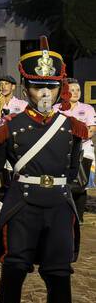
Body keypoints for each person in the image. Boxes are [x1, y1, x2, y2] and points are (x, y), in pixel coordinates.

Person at [0, 40, 92, 303]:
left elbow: (75, 171)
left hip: (58, 207)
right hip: (23, 207)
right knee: (14, 271)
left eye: (50, 86)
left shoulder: (72, 128)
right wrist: (13, 196)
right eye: (37, 86)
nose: (44, 93)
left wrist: (59, 193)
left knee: (59, 274)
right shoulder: (9, 126)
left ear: (60, 89)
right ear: (26, 88)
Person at [61, 78, 95, 222]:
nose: (75, 93)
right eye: (71, 90)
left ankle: (79, 218)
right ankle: (63, 216)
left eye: (78, 90)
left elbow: (91, 131)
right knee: (62, 183)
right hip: (62, 152)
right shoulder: (58, 109)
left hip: (83, 151)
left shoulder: (87, 109)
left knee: (81, 185)